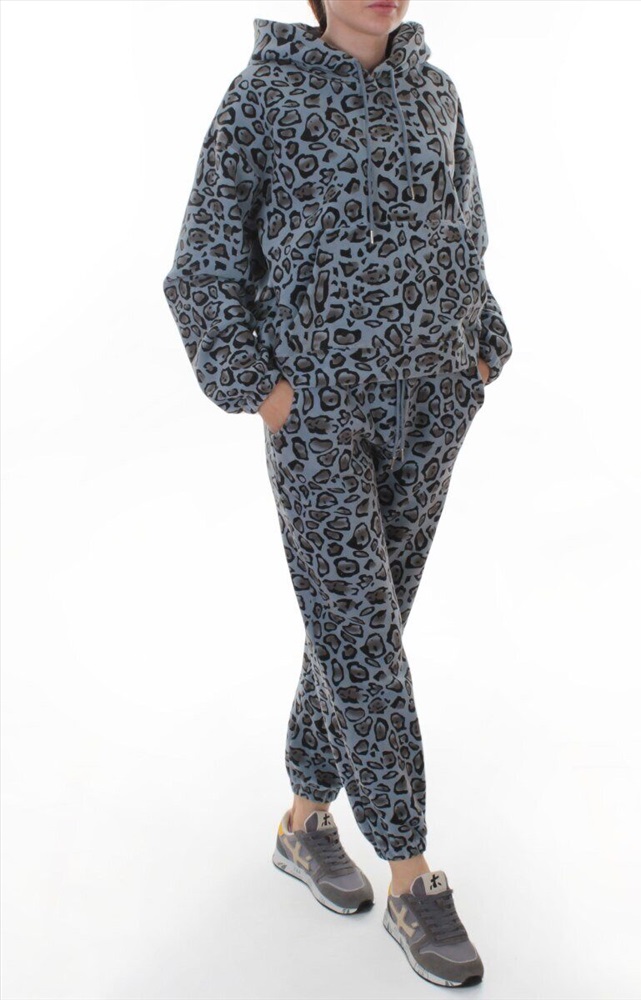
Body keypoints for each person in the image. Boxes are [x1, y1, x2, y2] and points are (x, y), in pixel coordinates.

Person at [162, 0, 512, 987]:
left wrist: (482, 348)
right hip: (319, 416)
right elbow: (203, 269)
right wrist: (263, 391)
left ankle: (305, 820)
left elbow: (466, 233)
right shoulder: (261, 99)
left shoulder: (436, 94)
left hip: (433, 400)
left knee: (364, 624)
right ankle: (411, 874)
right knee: (358, 627)